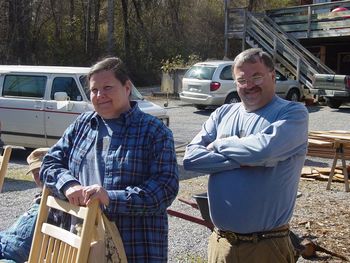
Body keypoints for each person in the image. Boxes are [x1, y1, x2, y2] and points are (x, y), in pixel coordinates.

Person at [39, 57, 179, 262]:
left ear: (127, 87)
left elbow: (165, 188)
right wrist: (68, 184)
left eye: (107, 88)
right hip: (81, 238)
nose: (100, 95)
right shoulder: (83, 124)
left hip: (133, 245)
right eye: (94, 90)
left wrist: (110, 197)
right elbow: (50, 162)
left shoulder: (154, 131)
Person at [183, 48, 309, 263]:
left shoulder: (292, 113)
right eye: (242, 80)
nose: (249, 85)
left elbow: (264, 150)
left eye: (257, 77)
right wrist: (244, 159)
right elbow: (191, 158)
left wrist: (220, 144)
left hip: (266, 247)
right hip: (221, 244)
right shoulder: (223, 113)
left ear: (272, 76)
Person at [0, 148, 49, 263]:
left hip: (13, 256)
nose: (40, 177)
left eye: (43, 171)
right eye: (35, 173)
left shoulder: (59, 203)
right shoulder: (39, 198)